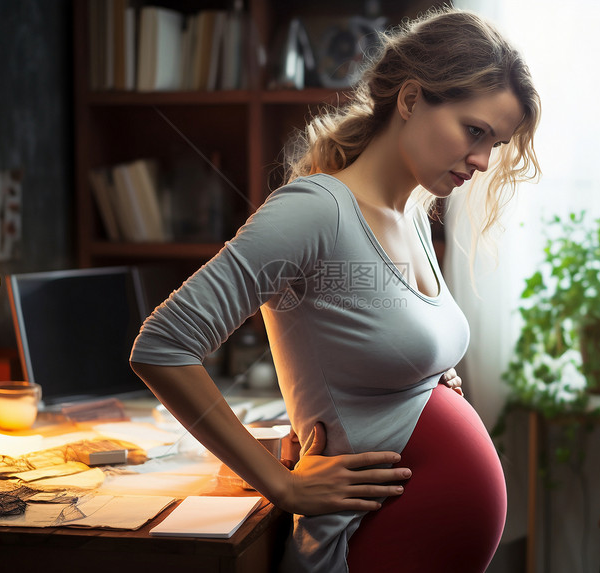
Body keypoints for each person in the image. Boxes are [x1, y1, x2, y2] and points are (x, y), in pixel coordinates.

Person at [130, 7, 540, 573]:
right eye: (474, 132)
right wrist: (282, 485)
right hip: (359, 547)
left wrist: (427, 376)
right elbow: (163, 345)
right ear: (412, 99)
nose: (482, 161)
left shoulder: (415, 214)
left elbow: (359, 357)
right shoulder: (316, 211)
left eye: (495, 143)